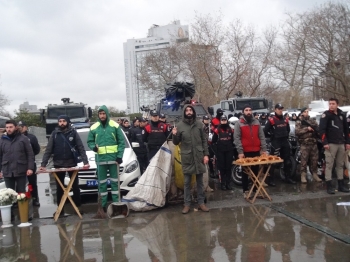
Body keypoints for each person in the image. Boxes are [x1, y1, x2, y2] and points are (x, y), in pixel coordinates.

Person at [39, 115, 89, 216]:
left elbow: (80, 147)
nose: (62, 123)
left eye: (64, 121)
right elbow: (48, 150)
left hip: (72, 163)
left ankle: (78, 208)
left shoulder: (73, 133)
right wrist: (43, 164)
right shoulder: (54, 134)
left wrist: (85, 162)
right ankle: (60, 210)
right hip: (58, 164)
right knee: (60, 188)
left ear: (68, 122)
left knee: (75, 187)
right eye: (60, 121)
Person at [172, 104, 209, 214]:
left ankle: (201, 203)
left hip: (199, 157)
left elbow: (204, 141)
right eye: (187, 110)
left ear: (193, 112)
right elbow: (176, 142)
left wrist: (206, 155)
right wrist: (174, 134)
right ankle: (187, 204)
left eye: (190, 110)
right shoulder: (179, 126)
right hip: (187, 157)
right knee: (187, 183)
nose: (189, 112)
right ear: (184, 112)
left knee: (200, 182)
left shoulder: (199, 124)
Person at [87, 106, 125, 211]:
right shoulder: (94, 127)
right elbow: (89, 141)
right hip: (101, 159)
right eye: (100, 114)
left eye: (104, 113)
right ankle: (103, 206)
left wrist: (119, 156)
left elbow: (121, 142)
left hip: (113, 159)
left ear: (107, 114)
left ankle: (116, 204)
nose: (102, 115)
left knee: (114, 183)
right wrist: (93, 147)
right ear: (98, 115)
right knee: (102, 184)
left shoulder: (115, 126)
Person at [319, 98, 350, 194]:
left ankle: (341, 185)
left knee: (340, 164)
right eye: (330, 104)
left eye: (333, 104)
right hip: (331, 144)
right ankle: (329, 185)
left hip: (341, 143)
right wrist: (325, 143)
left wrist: (347, 142)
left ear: (337, 104)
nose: (331, 105)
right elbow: (322, 130)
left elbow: (346, 130)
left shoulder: (341, 115)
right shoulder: (326, 115)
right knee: (329, 164)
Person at [234, 105, 268, 193]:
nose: (248, 112)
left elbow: (261, 136)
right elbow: (237, 138)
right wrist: (240, 151)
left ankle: (255, 188)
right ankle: (245, 189)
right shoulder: (239, 123)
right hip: (245, 151)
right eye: (246, 110)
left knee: (255, 171)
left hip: (256, 150)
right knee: (245, 172)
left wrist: (264, 149)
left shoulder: (256, 122)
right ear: (243, 112)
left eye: (250, 110)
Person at [264, 103, 296, 185]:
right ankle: (270, 179)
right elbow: (265, 131)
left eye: (281, 109)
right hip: (276, 142)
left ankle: (287, 177)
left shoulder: (285, 119)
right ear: (275, 110)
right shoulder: (271, 120)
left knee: (287, 161)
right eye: (279, 109)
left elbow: (288, 130)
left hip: (284, 141)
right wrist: (272, 136)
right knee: (273, 162)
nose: (280, 110)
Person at [0, 120, 34, 194]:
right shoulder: (2, 140)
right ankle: (12, 205)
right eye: (7, 127)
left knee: (21, 193)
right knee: (9, 193)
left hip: (20, 169)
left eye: (11, 127)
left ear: (15, 127)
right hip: (7, 170)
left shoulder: (23, 139)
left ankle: (21, 205)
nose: (9, 129)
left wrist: (30, 168)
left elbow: (30, 154)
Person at [295, 107, 322, 183]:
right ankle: (303, 175)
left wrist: (316, 131)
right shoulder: (299, 122)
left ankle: (314, 174)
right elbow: (297, 132)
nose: (307, 113)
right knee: (304, 161)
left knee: (314, 160)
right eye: (305, 112)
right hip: (304, 144)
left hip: (313, 143)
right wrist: (307, 129)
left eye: (307, 111)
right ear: (302, 112)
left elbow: (318, 129)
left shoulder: (312, 121)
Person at [18, 121, 41, 206]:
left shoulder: (31, 137)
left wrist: (29, 156)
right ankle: (20, 200)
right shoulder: (16, 137)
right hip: (19, 164)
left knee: (32, 183)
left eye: (22, 126)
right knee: (20, 183)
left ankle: (35, 199)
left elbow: (37, 149)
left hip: (30, 163)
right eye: (19, 126)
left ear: (26, 127)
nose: (21, 128)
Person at [212, 115, 234, 190]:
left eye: (225, 120)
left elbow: (233, 140)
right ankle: (222, 184)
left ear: (227, 120)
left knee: (228, 167)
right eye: (222, 120)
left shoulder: (230, 129)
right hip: (220, 151)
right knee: (222, 168)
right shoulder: (217, 130)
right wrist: (216, 151)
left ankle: (228, 183)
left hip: (229, 151)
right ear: (220, 121)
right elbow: (213, 141)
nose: (224, 121)